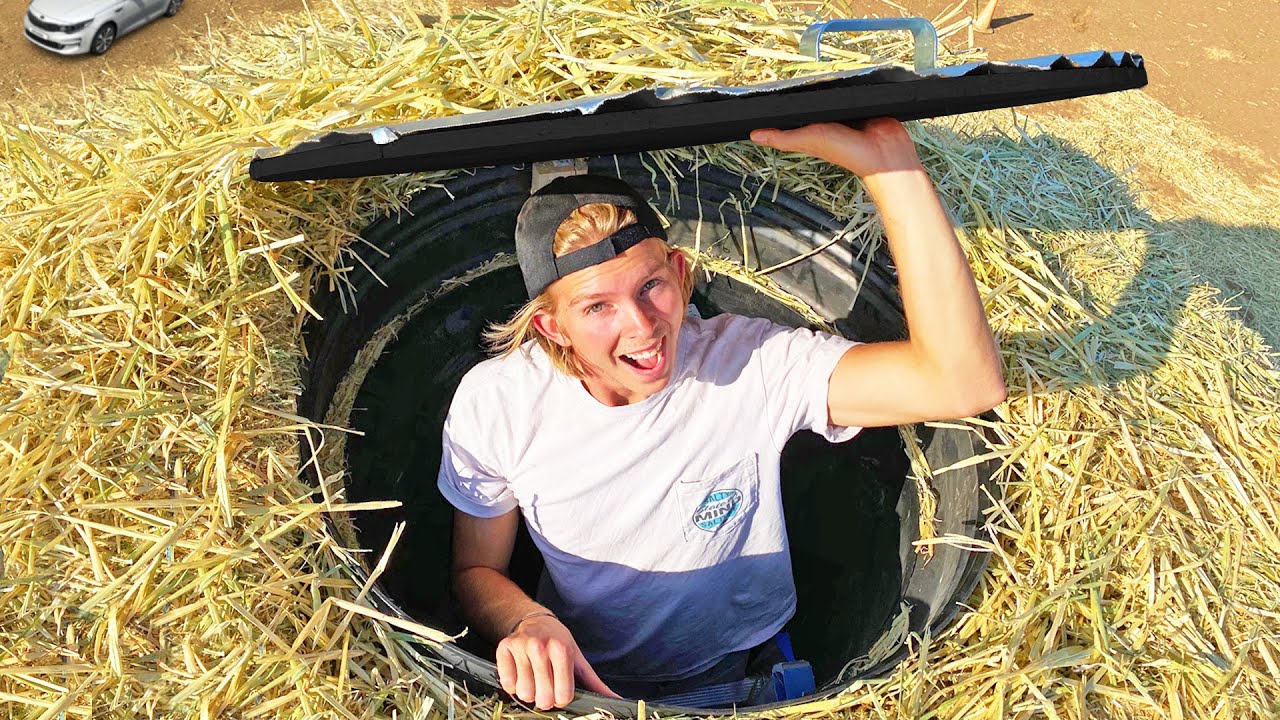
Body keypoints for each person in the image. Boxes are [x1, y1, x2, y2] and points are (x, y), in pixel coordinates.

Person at [436, 118, 1006, 710]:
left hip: (746, 665)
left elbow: (961, 381)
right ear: (552, 326)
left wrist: (892, 171)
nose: (641, 326)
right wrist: (526, 621)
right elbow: (475, 571)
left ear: (680, 274)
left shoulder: (749, 364)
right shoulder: (500, 405)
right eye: (598, 306)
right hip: (586, 681)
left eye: (650, 286)